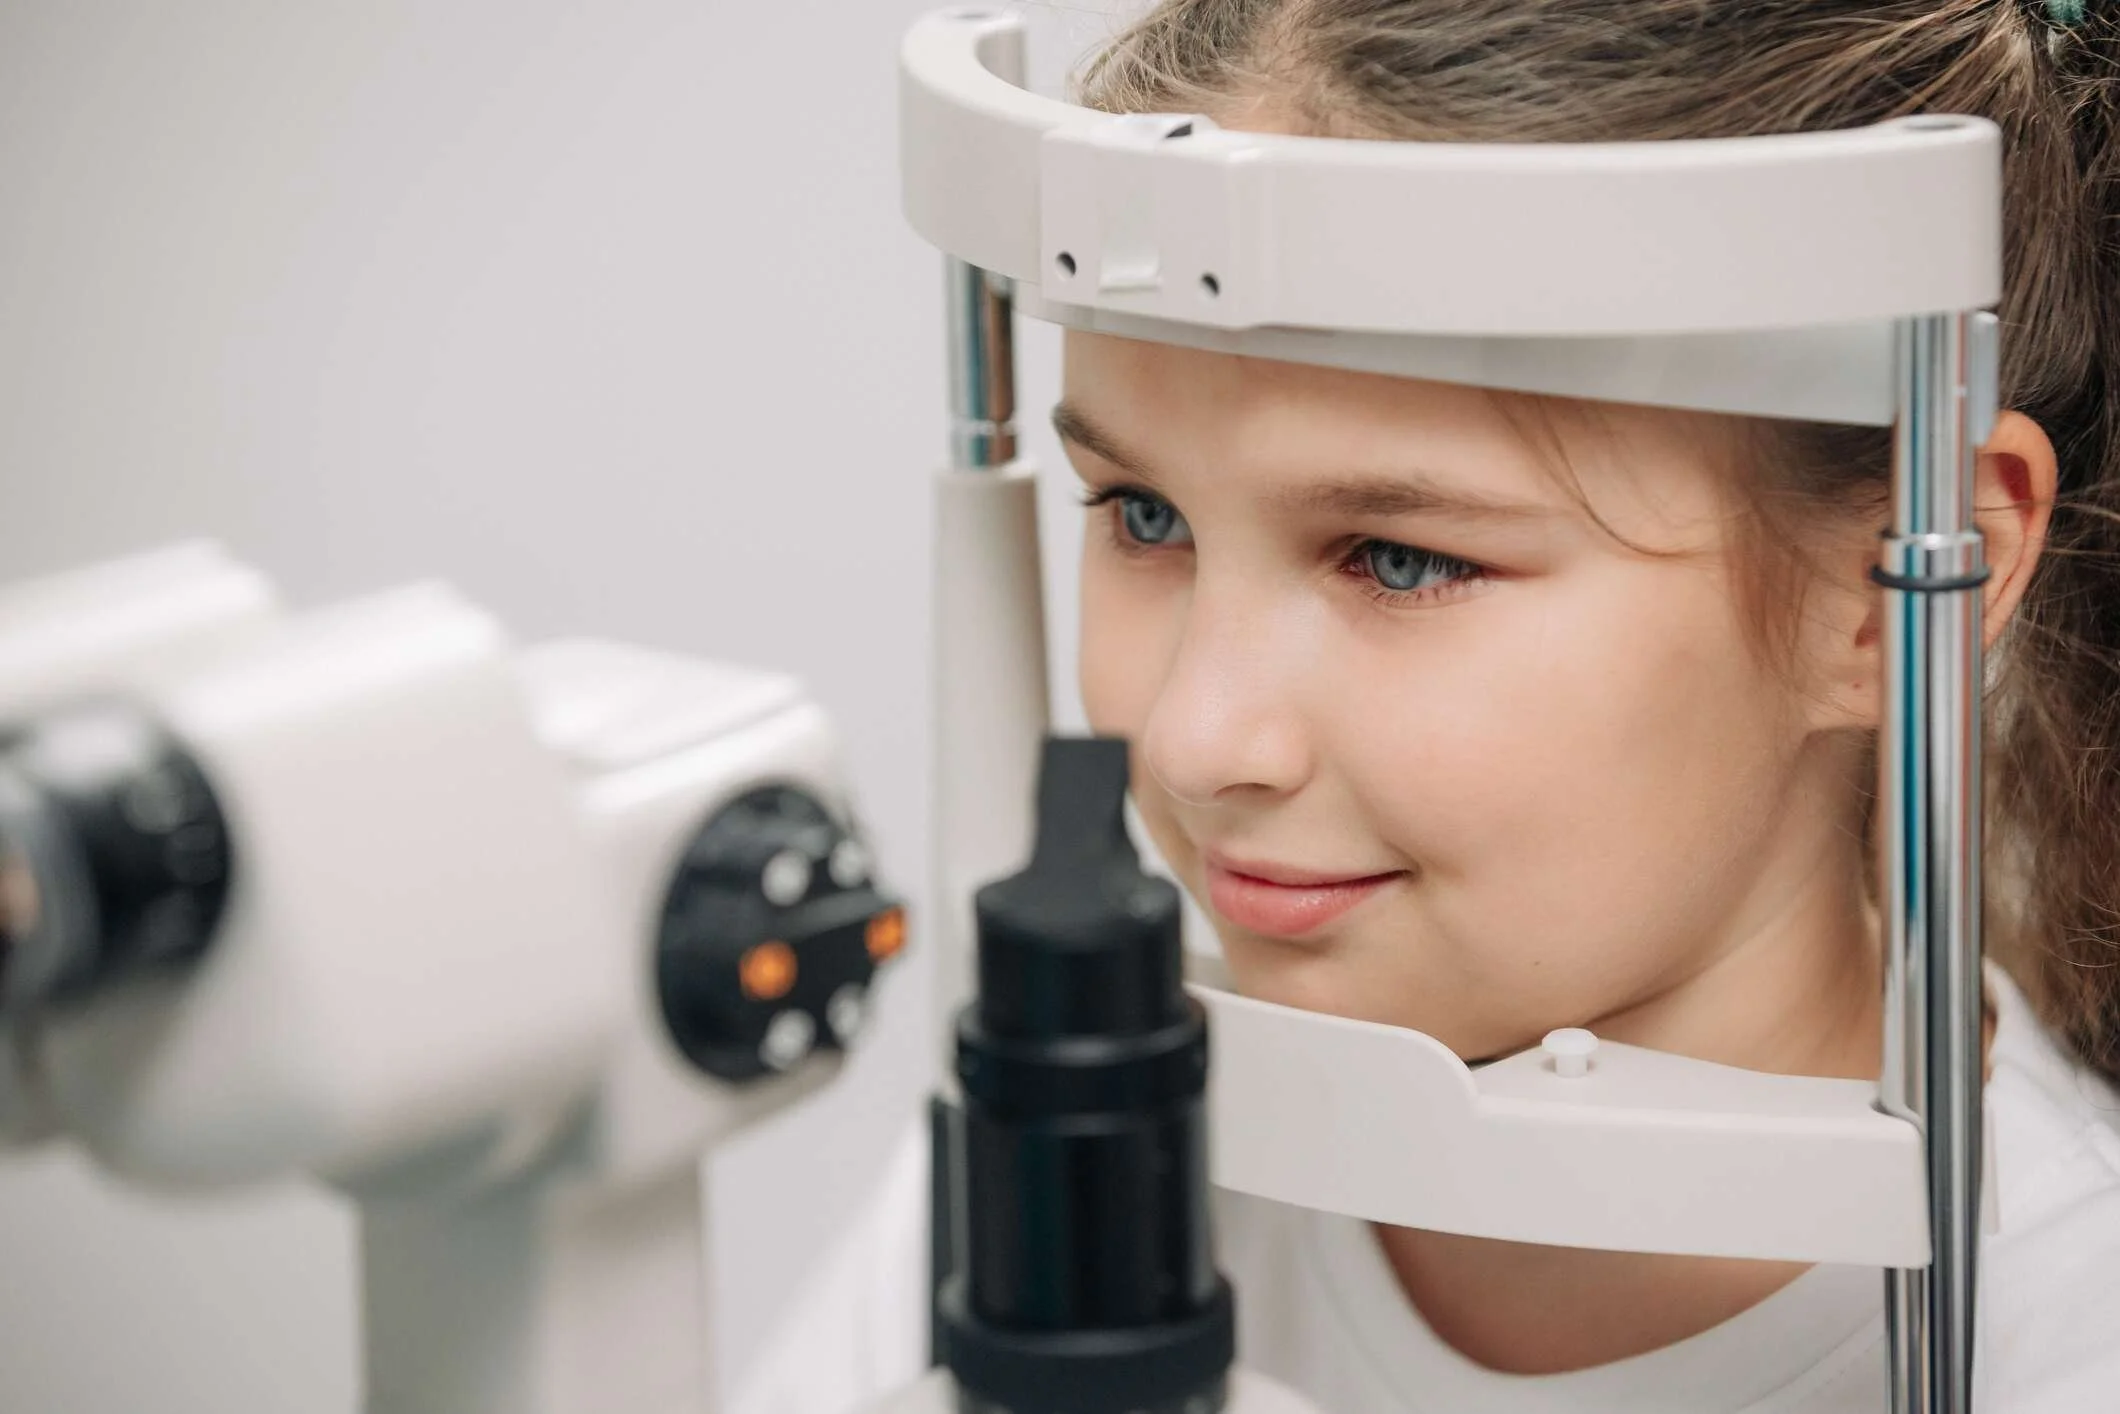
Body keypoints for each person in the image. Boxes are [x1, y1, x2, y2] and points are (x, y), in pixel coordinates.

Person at [738, 5, 2120, 1411]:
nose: (1197, 740)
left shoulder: (2070, 1347)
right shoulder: (1058, 1166)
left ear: (1897, 577)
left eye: (1405, 559)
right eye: (1144, 514)